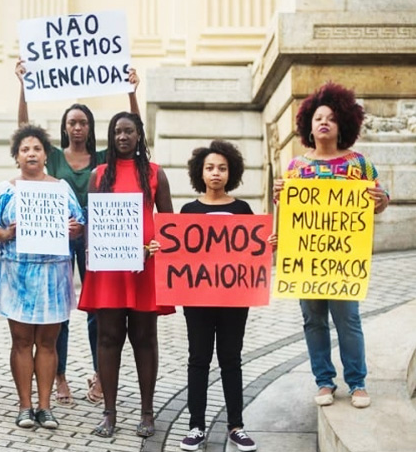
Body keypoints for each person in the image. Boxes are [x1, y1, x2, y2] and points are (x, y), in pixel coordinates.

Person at [14, 60, 141, 406]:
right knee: (60, 308)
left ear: (90, 127)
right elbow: (24, 129)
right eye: (72, 122)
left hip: (98, 240)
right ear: (65, 127)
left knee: (97, 308)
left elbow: (137, 137)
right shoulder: (52, 156)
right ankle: (60, 375)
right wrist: (23, 85)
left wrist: (132, 92)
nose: (77, 127)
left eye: (83, 122)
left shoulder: (104, 156)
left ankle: (101, 375)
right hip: (55, 240)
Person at [273, 83, 389, 410]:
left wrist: (381, 200)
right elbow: (287, 216)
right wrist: (279, 198)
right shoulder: (296, 168)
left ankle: (357, 382)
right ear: (308, 126)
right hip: (306, 260)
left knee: (348, 319)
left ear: (343, 125)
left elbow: (378, 203)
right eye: (318, 117)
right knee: (313, 321)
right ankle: (324, 381)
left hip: (342, 261)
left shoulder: (359, 164)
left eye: (332, 118)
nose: (324, 122)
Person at [77, 112, 174, 438]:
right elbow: (92, 223)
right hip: (109, 271)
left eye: (128, 131)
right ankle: (109, 412)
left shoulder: (156, 174)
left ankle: (147, 413)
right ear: (111, 136)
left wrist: (158, 246)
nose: (122, 137)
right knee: (108, 338)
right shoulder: (99, 175)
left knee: (145, 339)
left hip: (144, 269)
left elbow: (169, 224)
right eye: (117, 131)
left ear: (138, 135)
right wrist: (92, 255)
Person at [158, 141, 257, 451]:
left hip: (233, 300)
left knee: (231, 360)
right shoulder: (189, 211)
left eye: (222, 168)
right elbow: (178, 254)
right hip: (197, 300)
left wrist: (269, 243)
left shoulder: (242, 209)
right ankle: (196, 426)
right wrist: (160, 249)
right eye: (210, 167)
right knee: (198, 360)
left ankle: (236, 426)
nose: (216, 173)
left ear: (232, 173)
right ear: (200, 172)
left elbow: (252, 253)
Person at [0, 125, 85, 430]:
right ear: (17, 156)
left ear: (46, 155)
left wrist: (74, 230)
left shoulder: (62, 188)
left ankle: (45, 407)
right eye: (25, 149)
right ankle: (25, 406)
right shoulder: (6, 189)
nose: (31, 153)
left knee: (48, 342)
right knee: (22, 340)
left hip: (53, 275)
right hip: (17, 275)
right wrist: (5, 233)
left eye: (36, 149)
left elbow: (79, 223)